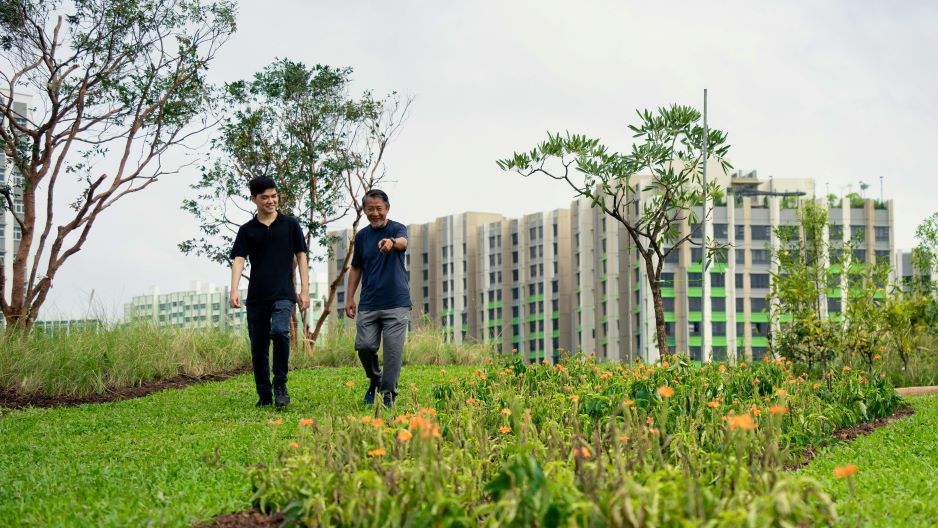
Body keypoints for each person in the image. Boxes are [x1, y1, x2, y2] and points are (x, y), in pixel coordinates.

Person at [230, 176, 309, 408]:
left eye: (274, 196)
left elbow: (302, 256)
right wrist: (234, 288)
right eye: (264, 197)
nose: (271, 201)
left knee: (280, 332)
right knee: (258, 347)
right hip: (256, 297)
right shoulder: (247, 230)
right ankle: (264, 394)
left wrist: (305, 289)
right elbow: (238, 260)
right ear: (253, 199)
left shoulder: (290, 225)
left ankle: (280, 383)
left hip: (284, 294)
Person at [345, 189, 411, 407]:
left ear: (387, 209)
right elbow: (356, 268)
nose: (375, 213)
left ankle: (388, 396)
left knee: (392, 354)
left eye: (379, 209)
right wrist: (349, 298)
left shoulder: (397, 228)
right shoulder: (362, 236)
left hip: (396, 303)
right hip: (369, 303)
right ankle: (375, 379)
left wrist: (391, 242)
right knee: (364, 346)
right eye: (370, 209)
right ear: (364, 210)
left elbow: (403, 242)